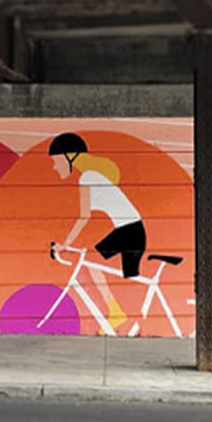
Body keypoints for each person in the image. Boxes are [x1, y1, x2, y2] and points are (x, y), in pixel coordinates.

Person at [48, 133, 146, 332]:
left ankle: (117, 312)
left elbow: (84, 217)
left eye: (56, 161)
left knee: (92, 260)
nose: (54, 167)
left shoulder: (87, 177)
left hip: (129, 231)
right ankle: (120, 313)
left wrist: (64, 245)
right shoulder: (91, 176)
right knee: (122, 273)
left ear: (69, 156)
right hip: (132, 230)